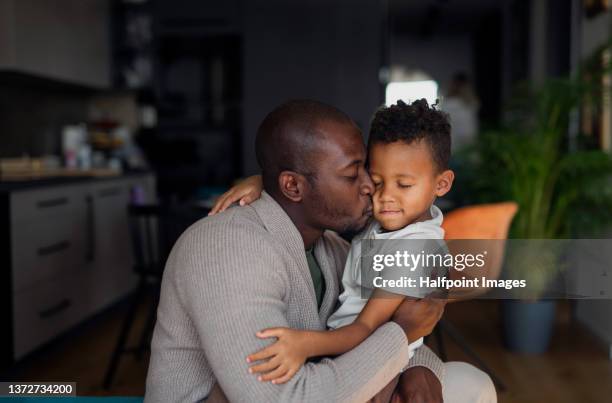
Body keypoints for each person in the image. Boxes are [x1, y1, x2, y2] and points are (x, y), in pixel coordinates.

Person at [146, 100, 496, 402]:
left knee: (472, 384)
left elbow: (383, 329)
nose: (369, 190)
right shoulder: (226, 249)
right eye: (354, 175)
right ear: (293, 185)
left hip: (321, 381)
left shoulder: (334, 246)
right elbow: (283, 397)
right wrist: (402, 334)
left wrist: (419, 367)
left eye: (367, 173)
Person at [215, 100, 457, 390]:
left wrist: (304, 345)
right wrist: (264, 181)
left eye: (403, 185)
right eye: (375, 180)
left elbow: (366, 328)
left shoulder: (413, 249)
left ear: (441, 185)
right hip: (357, 357)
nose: (382, 196)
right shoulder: (391, 223)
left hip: (374, 364)